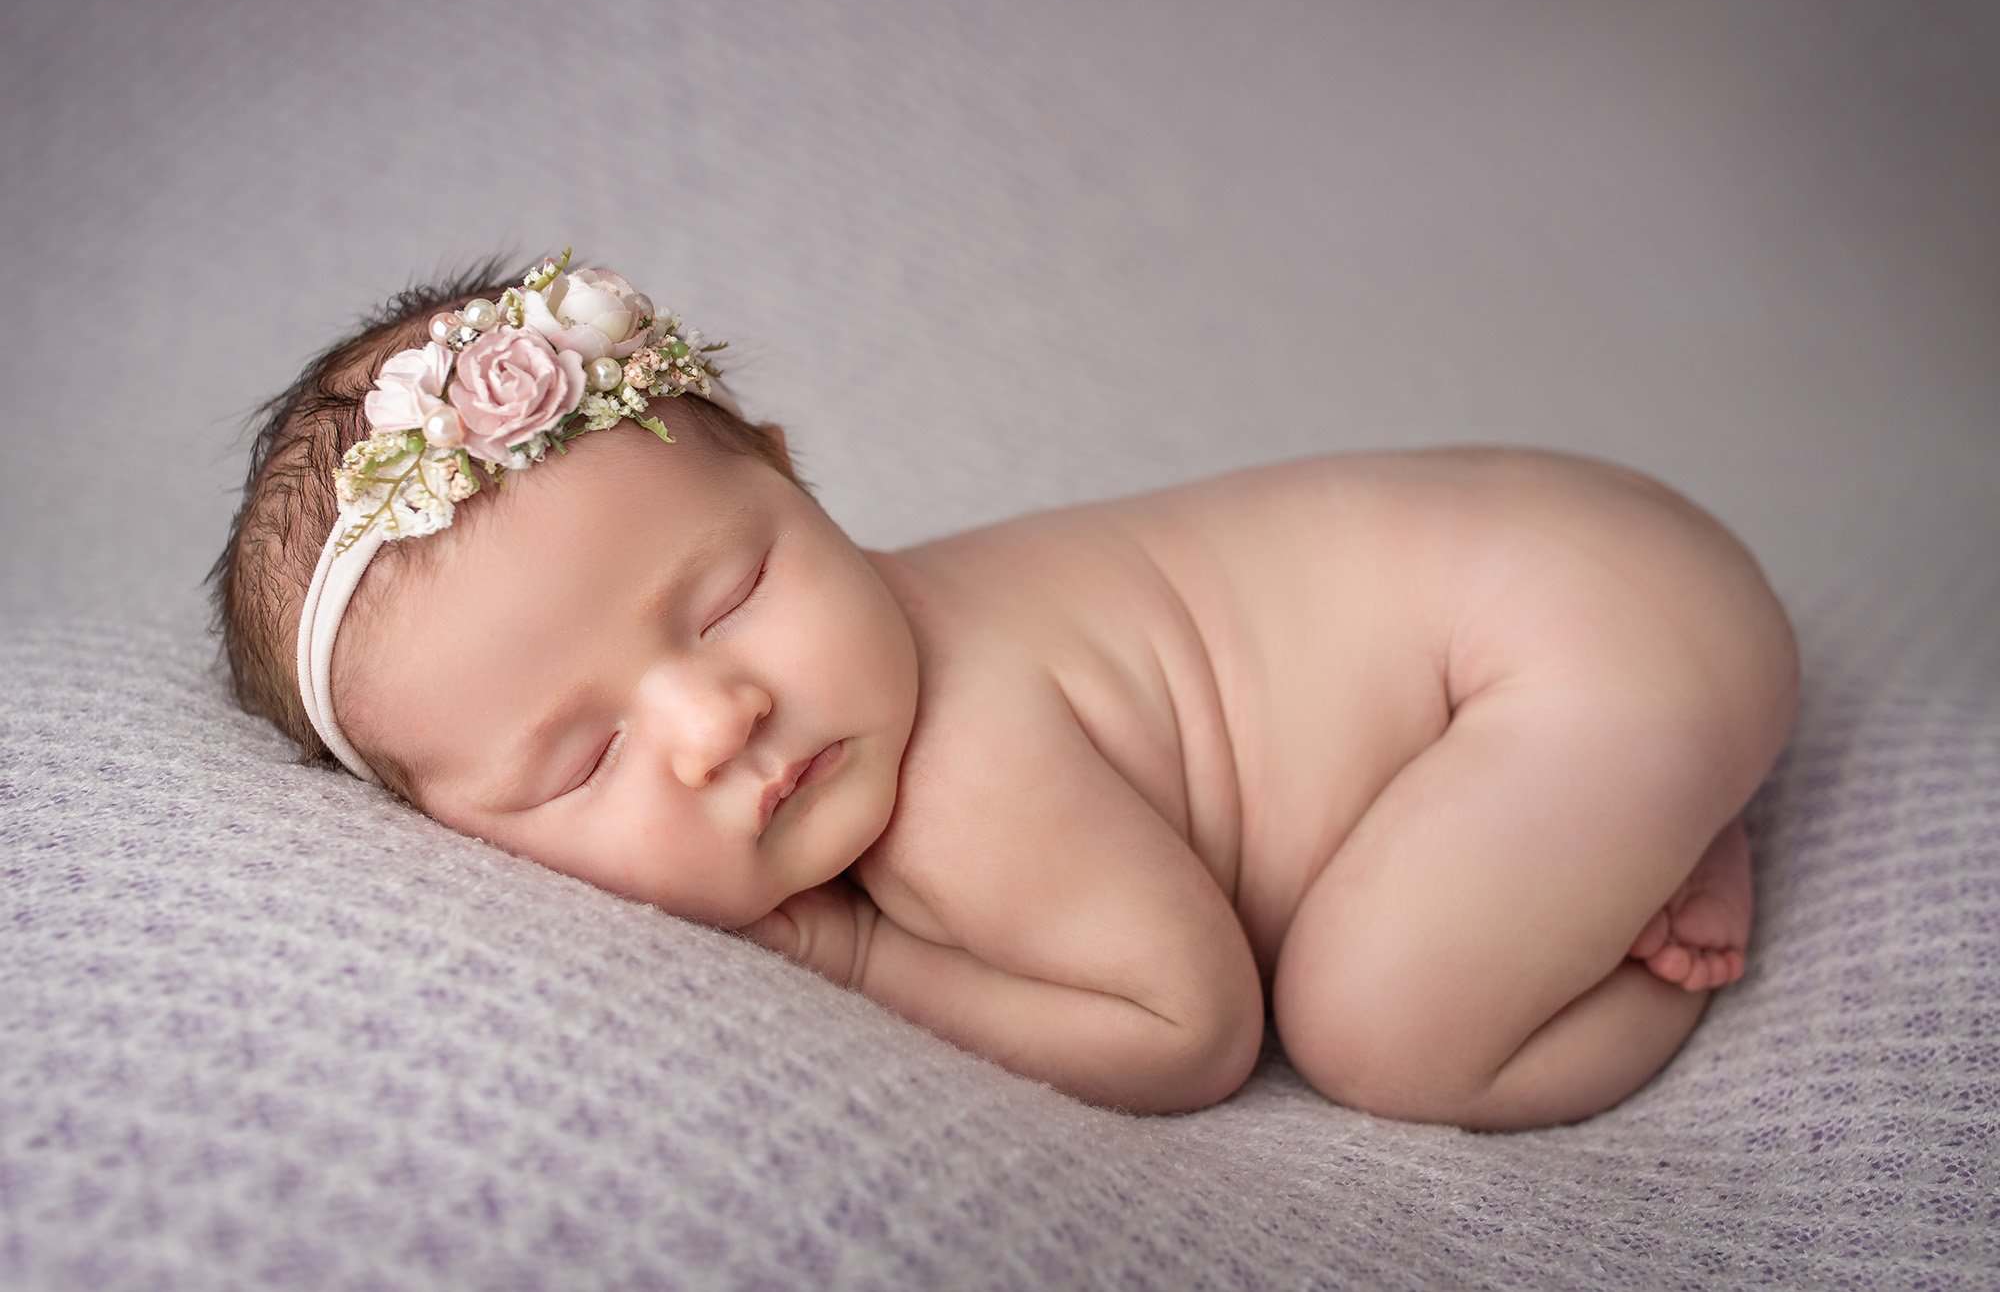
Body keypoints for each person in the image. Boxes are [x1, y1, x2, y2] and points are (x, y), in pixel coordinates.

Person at [208, 245, 1797, 1128]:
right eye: (580, 759)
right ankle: (1621, 806)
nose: (715, 720)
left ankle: (1658, 881)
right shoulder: (850, 678)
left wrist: (852, 958)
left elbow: (1188, 1029)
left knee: (1380, 1031)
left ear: (792, 476)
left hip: (1588, 630)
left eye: (739, 592)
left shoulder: (955, 762)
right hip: (1578, 557)